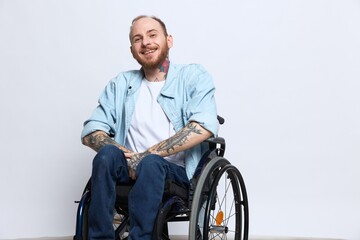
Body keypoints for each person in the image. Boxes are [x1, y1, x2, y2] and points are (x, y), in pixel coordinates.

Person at [81, 15, 219, 240]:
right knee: (106, 155)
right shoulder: (121, 84)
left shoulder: (193, 76)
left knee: (152, 163)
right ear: (132, 49)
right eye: (138, 39)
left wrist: (146, 156)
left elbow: (203, 126)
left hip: (175, 173)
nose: (145, 42)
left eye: (152, 35)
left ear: (169, 40)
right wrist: (129, 157)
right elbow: (91, 132)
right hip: (129, 168)